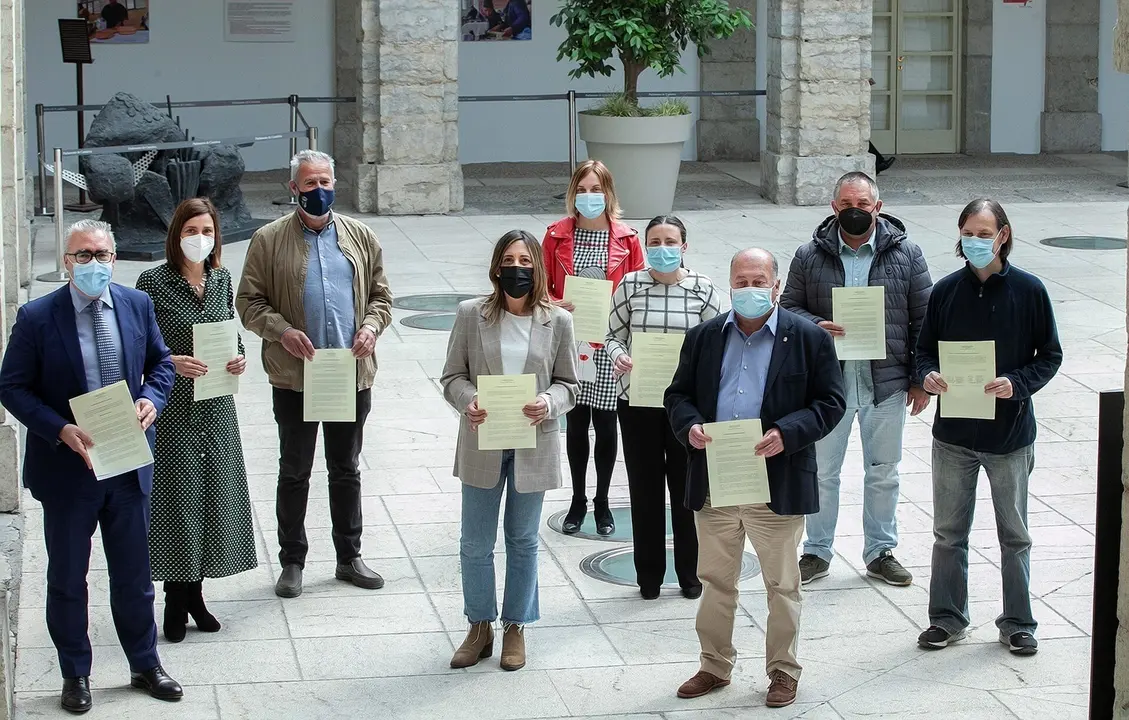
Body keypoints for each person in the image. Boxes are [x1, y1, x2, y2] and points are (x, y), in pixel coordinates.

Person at [0, 220, 183, 712]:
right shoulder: (38, 316)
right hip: (68, 470)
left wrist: (151, 399)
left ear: (114, 257)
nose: (94, 264)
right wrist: (60, 429)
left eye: (102, 254)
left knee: (134, 575)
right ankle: (75, 674)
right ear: (67, 261)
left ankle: (145, 664)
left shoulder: (136, 304)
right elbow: (12, 387)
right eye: (83, 255)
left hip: (125, 464)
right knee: (67, 577)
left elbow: (162, 363)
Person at [665, 248, 845, 709]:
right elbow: (678, 395)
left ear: (777, 284)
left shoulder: (808, 338)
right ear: (730, 284)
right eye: (741, 281)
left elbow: (830, 404)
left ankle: (783, 671)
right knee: (715, 579)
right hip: (718, 479)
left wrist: (787, 433)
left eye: (758, 280)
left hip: (777, 482)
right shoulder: (705, 337)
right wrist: (691, 428)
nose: (750, 289)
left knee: (782, 584)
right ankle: (714, 665)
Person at [236, 150, 394, 599]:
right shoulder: (267, 240)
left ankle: (349, 556)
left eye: (325, 181)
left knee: (346, 468)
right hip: (295, 376)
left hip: (348, 373)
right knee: (295, 469)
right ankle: (292, 561)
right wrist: (281, 331)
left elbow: (382, 296)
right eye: (309, 184)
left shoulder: (361, 236)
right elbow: (248, 302)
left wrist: (370, 327)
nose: (318, 190)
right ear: (293, 189)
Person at [915, 198, 1062, 656]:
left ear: (1003, 235)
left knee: (1014, 534)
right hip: (954, 436)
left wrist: (1016, 383)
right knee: (948, 533)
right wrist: (928, 375)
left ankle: (1018, 623)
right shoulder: (944, 292)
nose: (975, 241)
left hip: (1009, 436)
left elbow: (1050, 356)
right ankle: (946, 618)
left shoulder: (1030, 290)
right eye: (968, 232)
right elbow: (922, 352)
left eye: (984, 233)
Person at [781, 171, 932, 587]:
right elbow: (787, 310)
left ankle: (881, 551)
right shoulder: (809, 256)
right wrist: (817, 325)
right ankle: (816, 551)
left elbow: (924, 320)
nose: (855, 212)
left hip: (885, 384)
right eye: (847, 205)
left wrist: (920, 379)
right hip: (828, 388)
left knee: (884, 472)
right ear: (834, 208)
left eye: (863, 205)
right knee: (822, 472)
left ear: (877, 207)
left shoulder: (908, 255)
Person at [440, 230, 579, 671]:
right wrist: (468, 401)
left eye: (525, 259)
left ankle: (516, 626)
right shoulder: (470, 314)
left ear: (536, 267)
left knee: (522, 540)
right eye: (508, 258)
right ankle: (479, 625)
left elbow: (570, 385)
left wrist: (548, 403)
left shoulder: (557, 321)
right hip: (483, 441)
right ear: (497, 266)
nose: (516, 266)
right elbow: (452, 377)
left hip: (532, 443)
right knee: (475, 542)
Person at [135, 198, 257, 643]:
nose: (199, 238)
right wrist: (170, 360)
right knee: (177, 503)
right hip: (173, 408)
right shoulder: (153, 282)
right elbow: (140, 346)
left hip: (216, 405)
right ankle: (174, 598)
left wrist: (239, 358)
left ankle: (196, 594)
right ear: (176, 235)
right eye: (190, 231)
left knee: (211, 499)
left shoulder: (222, 279)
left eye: (206, 230)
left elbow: (231, 331)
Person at [604, 215, 722, 600]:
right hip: (637, 401)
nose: (662, 249)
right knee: (645, 489)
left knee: (687, 491)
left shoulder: (703, 289)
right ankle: (649, 576)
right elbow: (612, 335)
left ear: (684, 246)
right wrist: (619, 355)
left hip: (685, 408)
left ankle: (690, 574)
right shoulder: (630, 284)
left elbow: (717, 345)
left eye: (670, 242)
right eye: (654, 242)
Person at [542, 159, 645, 536]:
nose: (589, 197)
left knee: (605, 424)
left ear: (609, 193)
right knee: (575, 423)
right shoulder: (555, 236)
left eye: (596, 190)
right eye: (582, 190)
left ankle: (602, 502)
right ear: (573, 194)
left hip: (609, 342)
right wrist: (554, 301)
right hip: (570, 339)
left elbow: (639, 290)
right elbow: (541, 287)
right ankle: (577, 500)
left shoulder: (628, 239)